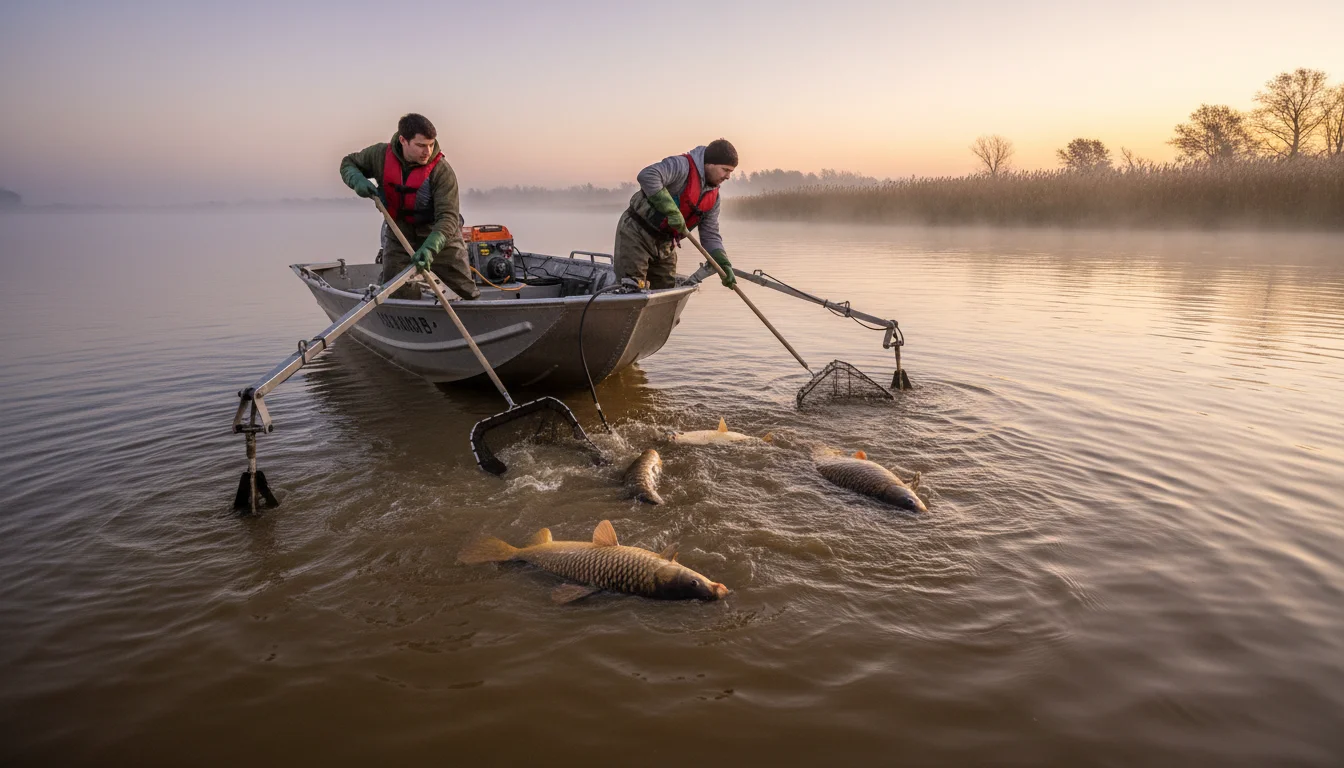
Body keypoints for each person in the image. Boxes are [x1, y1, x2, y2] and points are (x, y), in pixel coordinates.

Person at [339, 113, 479, 300]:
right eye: (421, 145)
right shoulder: (379, 155)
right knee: (395, 289)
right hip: (400, 232)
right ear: (403, 140)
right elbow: (348, 163)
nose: (427, 151)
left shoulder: (442, 171)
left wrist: (430, 248)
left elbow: (448, 217)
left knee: (463, 290)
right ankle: (410, 317)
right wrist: (356, 180)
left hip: (437, 234)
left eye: (431, 144)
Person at [615, 139, 738, 290]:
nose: (727, 177)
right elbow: (647, 175)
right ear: (709, 163)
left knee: (665, 293)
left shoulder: (714, 199)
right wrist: (671, 210)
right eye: (725, 170)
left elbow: (710, 235)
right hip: (637, 234)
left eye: (730, 172)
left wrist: (723, 263)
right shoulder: (681, 166)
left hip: (665, 245)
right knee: (633, 288)